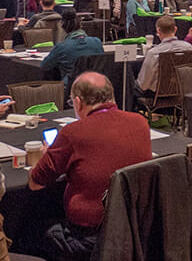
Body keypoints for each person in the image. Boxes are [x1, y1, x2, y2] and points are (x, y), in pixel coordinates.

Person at [29, 72, 151, 260]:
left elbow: (35, 183)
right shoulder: (140, 123)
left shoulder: (73, 133)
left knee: (29, 232)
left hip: (86, 237)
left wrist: (46, 156)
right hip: (134, 230)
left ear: (78, 102)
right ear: (111, 96)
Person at [41, 9, 104, 86]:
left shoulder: (62, 47)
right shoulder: (97, 42)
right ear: (80, 24)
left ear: (63, 27)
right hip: (96, 85)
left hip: (71, 88)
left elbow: (44, 66)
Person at [136, 16, 192, 96]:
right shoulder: (189, 47)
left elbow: (144, 85)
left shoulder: (154, 53)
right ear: (175, 29)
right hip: (182, 91)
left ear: (158, 31)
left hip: (157, 94)